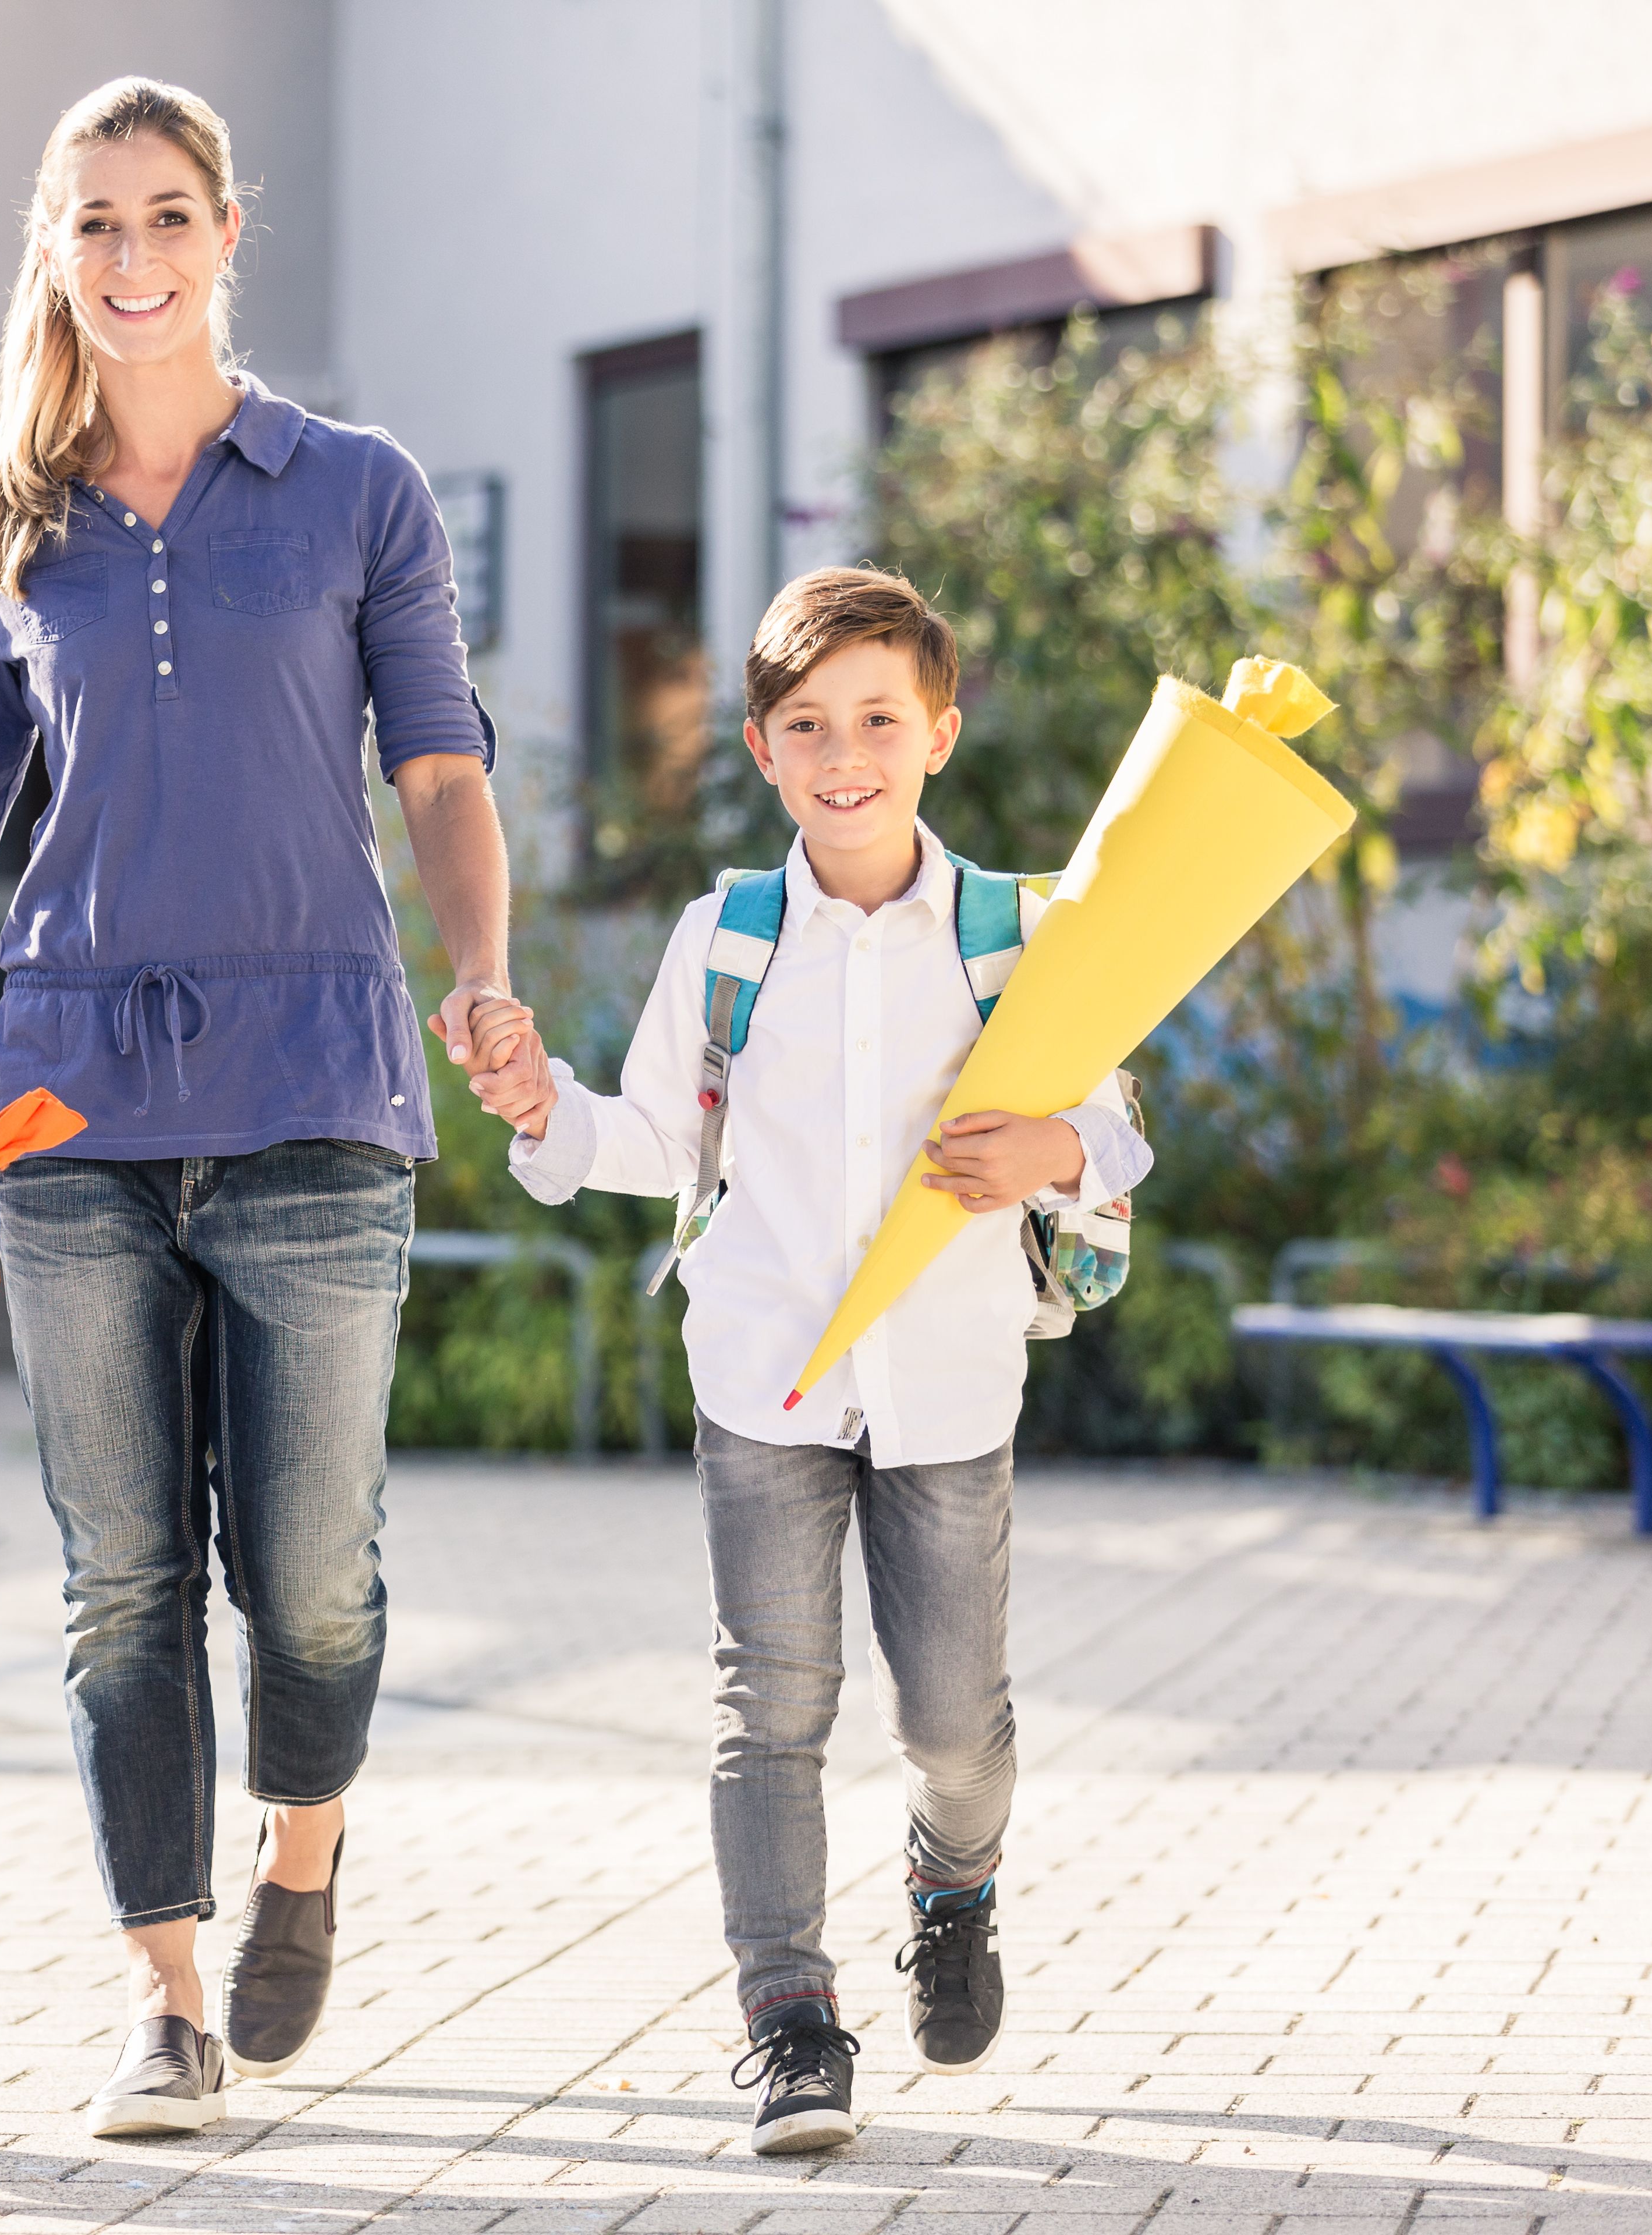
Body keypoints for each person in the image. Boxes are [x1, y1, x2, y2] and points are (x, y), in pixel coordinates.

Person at [0, 76, 524, 2136]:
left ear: (228, 230)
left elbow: (437, 768)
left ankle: (303, 1857)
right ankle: (165, 1996)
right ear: (52, 247)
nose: (133, 259)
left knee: (313, 1574)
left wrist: (483, 976)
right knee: (120, 1573)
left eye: (168, 218)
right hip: (69, 1102)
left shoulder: (355, 489)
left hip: (320, 1088)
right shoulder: (10, 523)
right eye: (96, 225)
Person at [469, 567, 1152, 2153]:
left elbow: (1113, 1125)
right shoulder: (731, 938)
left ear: (941, 734)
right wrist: (544, 1111)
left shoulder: (1015, 931)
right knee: (768, 1705)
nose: (845, 753)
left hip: (949, 1382)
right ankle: (789, 2022)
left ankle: (953, 1878)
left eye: (879, 720)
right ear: (764, 751)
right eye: (806, 726)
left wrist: (1055, 1142)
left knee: (954, 1726)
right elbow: (652, 1135)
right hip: (767, 1375)